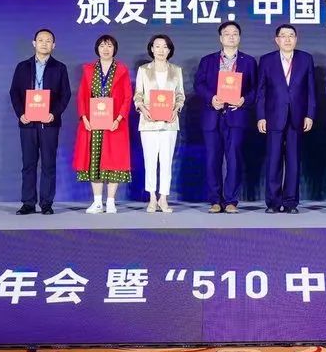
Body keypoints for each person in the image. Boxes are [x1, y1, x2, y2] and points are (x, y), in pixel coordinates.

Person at [194, 20, 257, 214]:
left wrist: (244, 100)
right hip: (212, 116)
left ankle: (231, 201)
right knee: (212, 159)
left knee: (234, 159)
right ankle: (215, 200)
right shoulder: (208, 60)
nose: (231, 36)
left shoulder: (248, 61)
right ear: (220, 38)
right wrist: (211, 98)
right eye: (227, 33)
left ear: (239, 37)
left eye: (235, 33)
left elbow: (256, 88)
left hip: (236, 116)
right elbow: (198, 85)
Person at [9, 28, 71, 215]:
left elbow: (65, 95)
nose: (44, 43)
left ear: (54, 45)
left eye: (48, 40)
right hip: (28, 122)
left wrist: (53, 113)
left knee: (48, 164)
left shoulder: (60, 68)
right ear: (34, 43)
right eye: (41, 40)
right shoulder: (23, 67)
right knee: (28, 164)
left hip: (49, 123)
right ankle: (28, 203)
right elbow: (14, 92)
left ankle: (46, 204)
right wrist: (21, 114)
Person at [256, 24, 316, 214]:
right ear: (277, 40)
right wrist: (260, 116)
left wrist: (310, 114)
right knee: (273, 160)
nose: (287, 39)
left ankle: (290, 202)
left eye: (291, 35)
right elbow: (261, 91)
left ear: (296, 39)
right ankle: (273, 202)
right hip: (273, 116)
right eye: (283, 36)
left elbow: (311, 90)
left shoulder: (306, 59)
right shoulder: (266, 60)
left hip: (298, 116)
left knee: (293, 161)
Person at [73, 34, 133, 214]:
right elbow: (82, 96)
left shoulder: (122, 69)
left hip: (114, 123)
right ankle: (98, 202)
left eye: (109, 46)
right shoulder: (88, 69)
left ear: (114, 49)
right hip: (93, 122)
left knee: (114, 160)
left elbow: (127, 96)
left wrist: (119, 118)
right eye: (102, 46)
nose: (106, 49)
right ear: (97, 49)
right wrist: (84, 117)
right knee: (94, 160)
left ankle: (111, 202)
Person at [134, 34, 185, 213]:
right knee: (149, 161)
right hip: (148, 122)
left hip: (169, 123)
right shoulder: (143, 70)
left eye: (165, 47)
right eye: (157, 46)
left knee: (166, 161)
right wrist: (142, 108)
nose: (161, 50)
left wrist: (176, 109)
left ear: (169, 50)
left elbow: (180, 95)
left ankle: (163, 198)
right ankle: (152, 198)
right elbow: (138, 94)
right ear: (151, 49)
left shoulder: (176, 70)